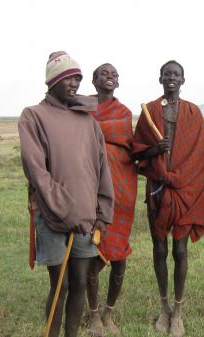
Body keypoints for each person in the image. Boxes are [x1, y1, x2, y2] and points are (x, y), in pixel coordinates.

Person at [18, 51, 114, 337]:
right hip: (53, 216)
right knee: (60, 286)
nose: (74, 83)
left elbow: (102, 168)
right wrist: (65, 208)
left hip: (86, 218)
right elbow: (36, 171)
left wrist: (102, 213)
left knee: (81, 284)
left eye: (77, 78)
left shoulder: (88, 121)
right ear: (52, 81)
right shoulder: (33, 116)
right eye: (68, 78)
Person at [132, 60, 204, 337]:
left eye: (176, 75)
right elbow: (137, 153)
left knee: (180, 251)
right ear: (160, 78)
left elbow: (200, 156)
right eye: (167, 74)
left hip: (185, 190)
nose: (171, 78)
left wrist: (193, 186)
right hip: (157, 189)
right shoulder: (150, 111)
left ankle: (178, 311)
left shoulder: (193, 112)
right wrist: (155, 150)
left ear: (183, 79)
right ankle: (164, 306)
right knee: (159, 249)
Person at [84, 63, 138, 337]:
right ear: (93, 80)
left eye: (114, 75)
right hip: (89, 188)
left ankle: (109, 312)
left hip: (123, 188)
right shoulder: (81, 108)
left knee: (120, 256)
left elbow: (132, 148)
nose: (109, 77)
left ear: (119, 82)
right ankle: (93, 316)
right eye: (104, 74)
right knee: (90, 252)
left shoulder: (124, 113)